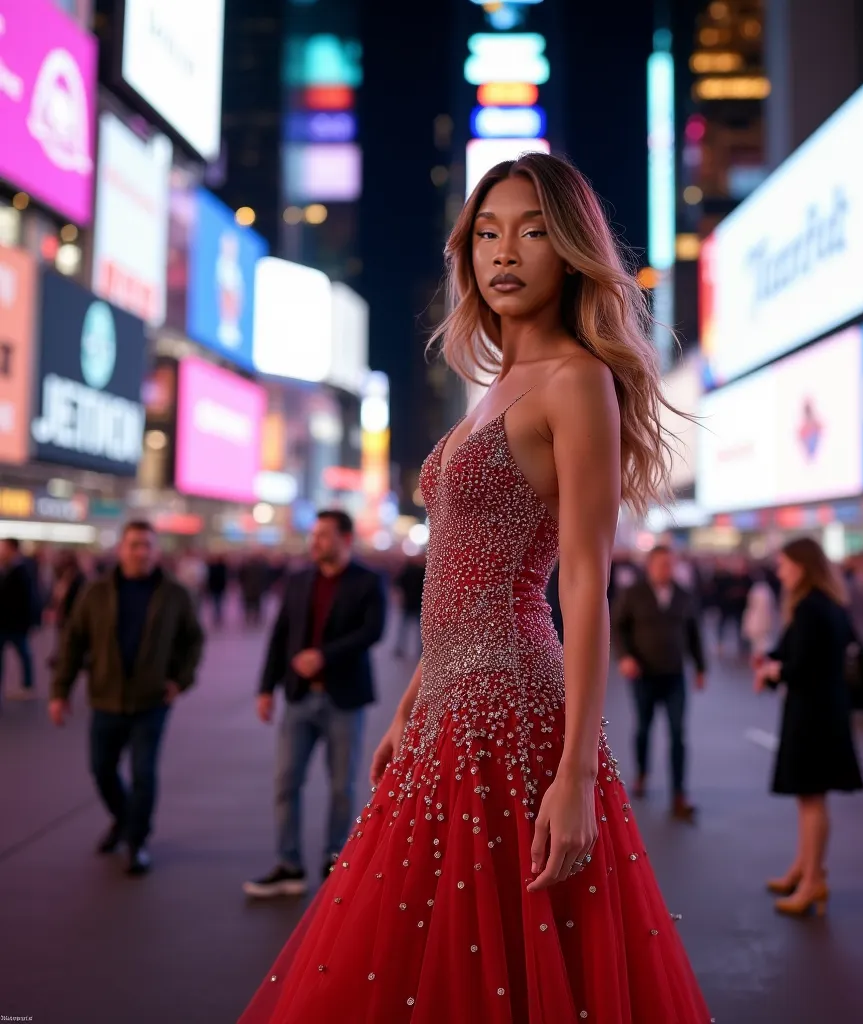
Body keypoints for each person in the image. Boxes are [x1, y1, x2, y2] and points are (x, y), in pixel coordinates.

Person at [238, 154, 709, 1022]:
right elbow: (458, 577)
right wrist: (411, 702)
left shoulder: (578, 381)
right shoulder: (491, 391)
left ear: (569, 250)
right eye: (487, 232)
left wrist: (574, 768)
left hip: (516, 712)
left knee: (498, 947)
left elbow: (584, 584)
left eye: (532, 230)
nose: (505, 251)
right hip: (448, 706)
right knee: (427, 947)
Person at [49, 521, 205, 875]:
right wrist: (60, 692)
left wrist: (181, 681)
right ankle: (124, 820)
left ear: (156, 550)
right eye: (134, 545)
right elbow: (73, 642)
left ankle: (137, 841)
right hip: (105, 697)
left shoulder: (174, 593)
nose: (141, 552)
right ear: (121, 549)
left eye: (147, 545)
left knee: (143, 772)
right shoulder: (96, 592)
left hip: (151, 700)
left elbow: (193, 640)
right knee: (101, 769)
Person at [245, 510, 386, 898]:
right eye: (315, 535)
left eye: (324, 535)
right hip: (299, 698)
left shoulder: (368, 581)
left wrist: (324, 655)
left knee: (342, 786)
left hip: (344, 699)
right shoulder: (298, 580)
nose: (315, 542)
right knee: (286, 781)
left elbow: (373, 632)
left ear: (345, 538)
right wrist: (265, 688)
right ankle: (289, 864)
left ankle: (333, 857)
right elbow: (280, 635)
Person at [755, 537, 863, 917]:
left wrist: (772, 672)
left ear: (802, 566)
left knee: (811, 797)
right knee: (809, 797)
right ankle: (804, 868)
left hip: (813, 713)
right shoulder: (825, 604)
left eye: (784, 565)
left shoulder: (810, 609)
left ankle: (813, 879)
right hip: (823, 710)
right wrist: (773, 664)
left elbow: (800, 665)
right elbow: (793, 653)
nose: (780, 572)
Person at [612, 545, 706, 821]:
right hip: (643, 674)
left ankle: (679, 793)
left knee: (678, 733)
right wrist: (625, 657)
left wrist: (700, 667)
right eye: (661, 564)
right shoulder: (633, 594)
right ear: (650, 566)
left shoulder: (684, 596)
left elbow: (694, 632)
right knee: (644, 727)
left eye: (670, 564)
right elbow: (618, 626)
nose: (667, 569)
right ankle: (642, 773)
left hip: (675, 674)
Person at [0, 537, 37, 702]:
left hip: (14, 624)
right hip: (6, 624)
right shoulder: (7, 569)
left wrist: (28, 623)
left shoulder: (22, 570)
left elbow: (26, 600)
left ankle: (28, 686)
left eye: (4, 548)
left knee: (24, 654)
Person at [391, 553, 426, 659]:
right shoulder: (422, 572)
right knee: (419, 630)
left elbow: (397, 584)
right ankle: (421, 650)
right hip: (418, 604)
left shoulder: (407, 571)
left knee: (404, 629)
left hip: (409, 603)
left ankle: (399, 648)